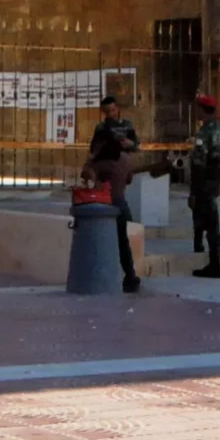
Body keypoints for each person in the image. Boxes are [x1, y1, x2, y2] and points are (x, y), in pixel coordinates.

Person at [88, 95, 142, 293]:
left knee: (120, 236)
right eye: (106, 112)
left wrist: (129, 144)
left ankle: (129, 275)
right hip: (108, 186)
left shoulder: (127, 125)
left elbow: (137, 146)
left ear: (117, 109)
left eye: (112, 110)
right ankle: (127, 275)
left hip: (118, 180)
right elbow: (93, 151)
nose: (110, 114)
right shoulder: (101, 129)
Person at [188, 93, 220, 279]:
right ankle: (205, 253)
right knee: (208, 216)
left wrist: (193, 190)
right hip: (218, 178)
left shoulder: (204, 133)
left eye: (197, 108)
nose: (195, 111)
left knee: (210, 221)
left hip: (206, 180)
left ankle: (214, 264)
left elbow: (199, 163)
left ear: (202, 109)